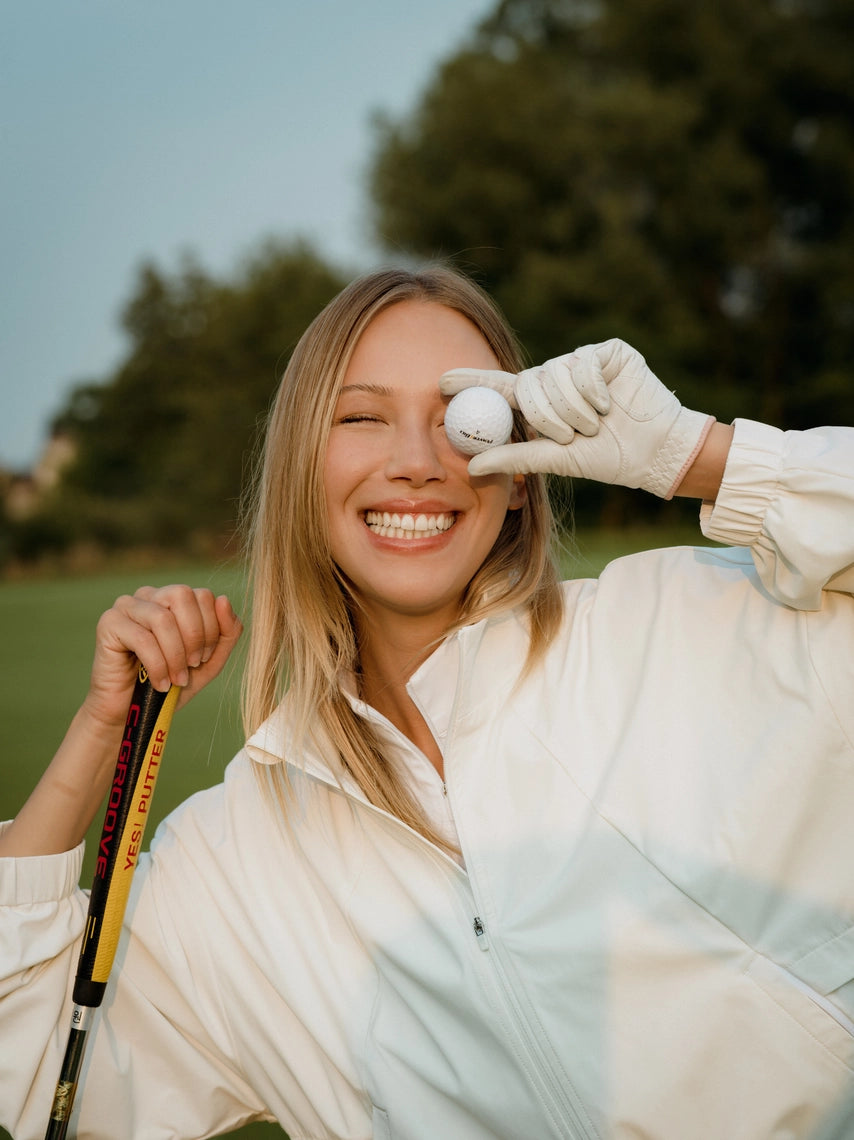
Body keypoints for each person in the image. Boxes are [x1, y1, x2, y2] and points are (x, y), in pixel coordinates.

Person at [1, 266, 853, 1140]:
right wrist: (102, 730)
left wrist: (701, 458)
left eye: (460, 418)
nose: (415, 462)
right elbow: (32, 1069)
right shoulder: (233, 858)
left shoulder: (690, 624)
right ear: (302, 466)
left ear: (522, 471)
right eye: (362, 416)